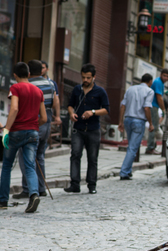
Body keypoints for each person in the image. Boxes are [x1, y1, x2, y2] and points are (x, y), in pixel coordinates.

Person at [0, 62, 47, 212]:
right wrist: (33, 125)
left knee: (7, 165)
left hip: (16, 131)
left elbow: (14, 108)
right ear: (28, 74)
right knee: (30, 166)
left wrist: (7, 129)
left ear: (15, 75)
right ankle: (34, 194)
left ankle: (3, 201)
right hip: (33, 132)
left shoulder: (15, 88)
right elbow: (44, 118)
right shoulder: (38, 91)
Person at [12, 59, 61, 199]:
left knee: (26, 157)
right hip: (46, 122)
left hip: (32, 122)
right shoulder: (51, 84)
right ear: (41, 71)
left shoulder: (27, 85)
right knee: (40, 156)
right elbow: (54, 102)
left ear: (28, 72)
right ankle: (41, 188)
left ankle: (28, 188)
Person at [64, 63, 109, 194]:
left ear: (94, 77)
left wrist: (93, 112)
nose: (85, 80)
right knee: (75, 155)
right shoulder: (77, 89)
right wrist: (71, 113)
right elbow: (70, 105)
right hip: (78, 129)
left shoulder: (100, 91)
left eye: (88, 78)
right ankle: (74, 184)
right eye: (83, 77)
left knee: (92, 158)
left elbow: (106, 109)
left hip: (93, 130)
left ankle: (92, 185)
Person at [118, 73, 155, 180]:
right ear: (150, 82)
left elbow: (123, 106)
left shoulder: (130, 89)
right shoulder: (149, 91)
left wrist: (120, 122)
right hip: (138, 121)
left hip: (128, 120)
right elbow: (147, 108)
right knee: (132, 148)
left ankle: (128, 171)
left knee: (131, 146)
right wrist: (151, 123)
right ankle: (124, 172)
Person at [146, 69, 168, 155]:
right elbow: (159, 97)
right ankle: (150, 148)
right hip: (153, 106)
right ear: (160, 75)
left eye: (167, 76)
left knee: (154, 127)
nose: (166, 78)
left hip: (153, 106)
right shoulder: (158, 82)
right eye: (164, 76)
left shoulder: (159, 82)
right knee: (154, 127)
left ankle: (152, 146)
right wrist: (163, 109)